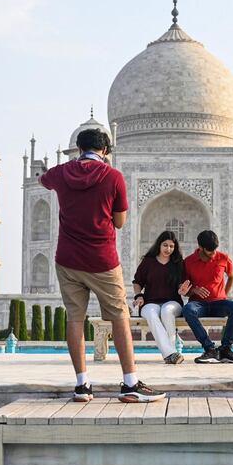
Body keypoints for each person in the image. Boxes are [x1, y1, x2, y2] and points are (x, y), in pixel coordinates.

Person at [41, 128, 165, 403]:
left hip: (68, 258)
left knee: (75, 318)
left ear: (78, 147)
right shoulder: (113, 176)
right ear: (106, 150)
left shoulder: (62, 172)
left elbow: (43, 179)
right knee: (119, 316)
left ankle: (82, 385)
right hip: (101, 260)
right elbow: (119, 222)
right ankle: (130, 383)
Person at [181, 230, 233, 364]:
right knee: (188, 310)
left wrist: (224, 294)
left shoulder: (223, 258)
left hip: (219, 303)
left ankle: (226, 349)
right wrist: (194, 290)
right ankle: (210, 349)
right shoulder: (189, 262)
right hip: (199, 305)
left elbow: (231, 277)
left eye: (215, 250)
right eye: (210, 251)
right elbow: (185, 291)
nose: (213, 254)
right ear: (201, 247)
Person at [132, 231, 187, 364]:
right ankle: (172, 353)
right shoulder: (148, 261)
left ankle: (171, 352)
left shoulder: (178, 263)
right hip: (150, 302)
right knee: (151, 314)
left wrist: (182, 290)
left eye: (171, 246)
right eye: (165, 245)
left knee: (166, 311)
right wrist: (139, 296)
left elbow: (182, 285)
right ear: (159, 245)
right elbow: (137, 282)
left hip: (173, 302)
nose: (168, 249)